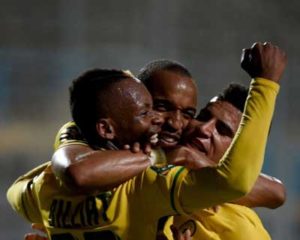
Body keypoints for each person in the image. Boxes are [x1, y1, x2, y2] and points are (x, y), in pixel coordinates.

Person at [7, 42, 286, 240]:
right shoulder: (147, 182)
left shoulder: (205, 187)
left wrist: (190, 160)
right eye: (159, 107)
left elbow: (274, 192)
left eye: (189, 113)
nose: (178, 123)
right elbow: (74, 171)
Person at [161, 83, 283, 240]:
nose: (203, 129)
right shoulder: (147, 161)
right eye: (203, 117)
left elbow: (277, 192)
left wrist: (191, 158)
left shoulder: (240, 228)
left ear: (238, 152)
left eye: (222, 130)